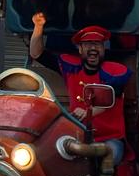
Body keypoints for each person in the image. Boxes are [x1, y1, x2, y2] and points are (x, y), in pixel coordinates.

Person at [29, 12, 130, 164]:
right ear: (80, 49)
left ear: (103, 49)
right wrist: (38, 27)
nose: (93, 49)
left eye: (97, 44)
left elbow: (111, 99)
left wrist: (87, 112)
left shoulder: (115, 72)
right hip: (77, 135)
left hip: (109, 138)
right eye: (88, 44)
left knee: (107, 159)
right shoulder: (70, 68)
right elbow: (36, 54)